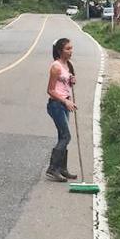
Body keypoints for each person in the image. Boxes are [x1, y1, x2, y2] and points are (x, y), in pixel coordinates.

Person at [45, 38, 79, 182]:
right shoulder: (56, 66)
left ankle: (62, 169)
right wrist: (65, 101)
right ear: (60, 51)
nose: (70, 51)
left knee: (62, 137)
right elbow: (50, 90)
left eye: (71, 48)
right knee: (66, 136)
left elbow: (65, 84)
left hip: (64, 104)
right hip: (56, 105)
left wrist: (71, 81)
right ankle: (52, 168)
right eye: (67, 49)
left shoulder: (68, 65)